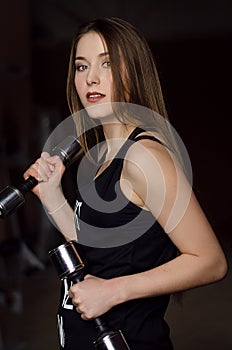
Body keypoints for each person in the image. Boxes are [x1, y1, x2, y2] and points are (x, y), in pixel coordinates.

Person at [23, 17, 227, 350]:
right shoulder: (100, 157)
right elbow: (98, 249)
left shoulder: (144, 157)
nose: (91, 77)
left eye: (107, 63)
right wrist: (51, 196)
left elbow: (210, 261)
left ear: (133, 70)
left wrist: (112, 291)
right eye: (81, 66)